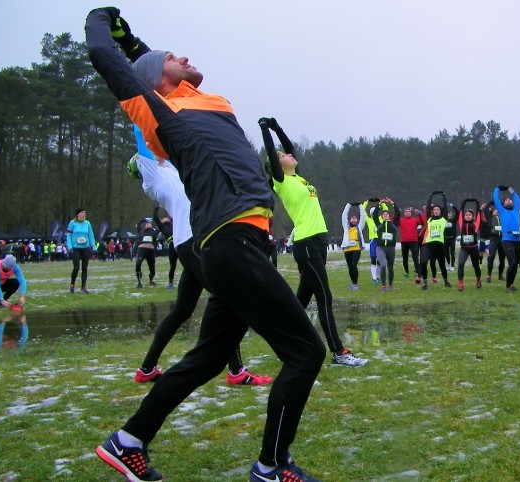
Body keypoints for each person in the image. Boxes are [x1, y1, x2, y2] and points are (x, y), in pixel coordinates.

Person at [86, 9, 325, 481]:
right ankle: (271, 468)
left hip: (240, 245)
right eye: (176, 57)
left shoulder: (202, 100)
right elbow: (107, 56)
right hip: (229, 241)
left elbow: (149, 64)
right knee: (305, 353)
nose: (186, 58)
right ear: (157, 80)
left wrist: (134, 41)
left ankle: (127, 442)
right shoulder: (160, 114)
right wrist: (102, 18)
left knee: (210, 358)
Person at [128, 132, 273, 387]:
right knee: (229, 298)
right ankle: (236, 370)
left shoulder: (170, 170)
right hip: (192, 244)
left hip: (195, 241)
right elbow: (143, 139)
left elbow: (177, 148)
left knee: (181, 312)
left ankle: (147, 368)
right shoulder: (153, 179)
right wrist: (142, 103)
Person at [259, 116, 367, 368]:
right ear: (275, 164)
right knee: (324, 298)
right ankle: (339, 352)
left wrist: (278, 128)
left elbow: (291, 150)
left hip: (317, 242)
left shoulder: (299, 178)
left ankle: (281, 338)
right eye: (281, 155)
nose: (287, 155)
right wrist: (265, 130)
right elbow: (275, 156)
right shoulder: (281, 181)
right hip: (305, 244)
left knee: (301, 302)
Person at [492, 185, 520, 293]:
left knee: (516, 264)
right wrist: (498, 188)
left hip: (517, 240)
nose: (509, 200)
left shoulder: (516, 210)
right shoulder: (502, 211)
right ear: (503, 204)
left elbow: (517, 197)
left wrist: (510, 188)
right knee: (512, 262)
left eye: (510, 199)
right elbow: (495, 197)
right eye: (506, 200)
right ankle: (507, 286)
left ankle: (511, 284)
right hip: (507, 240)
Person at [419, 191, 452, 290]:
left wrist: (444, 195)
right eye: (434, 209)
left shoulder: (443, 219)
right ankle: (425, 284)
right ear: (432, 211)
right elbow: (428, 207)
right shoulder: (430, 219)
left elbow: (445, 207)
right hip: (428, 244)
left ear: (441, 211)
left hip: (440, 245)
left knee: (442, 265)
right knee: (424, 262)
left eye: (438, 209)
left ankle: (446, 281)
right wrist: (431, 195)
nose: (436, 210)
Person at [455, 199, 483, 291]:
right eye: (466, 215)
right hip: (464, 248)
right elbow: (461, 211)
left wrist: (476, 202)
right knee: (460, 264)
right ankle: (460, 284)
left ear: (472, 216)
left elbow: (479, 213)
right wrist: (465, 201)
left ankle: (478, 280)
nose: (467, 216)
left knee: (476, 266)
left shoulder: (476, 223)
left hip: (474, 248)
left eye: (469, 215)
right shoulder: (461, 223)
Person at [373, 200, 399, 292]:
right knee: (383, 265)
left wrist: (392, 203)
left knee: (390, 267)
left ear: (389, 216)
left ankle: (391, 285)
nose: (385, 215)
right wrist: (379, 204)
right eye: (383, 214)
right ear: (382, 216)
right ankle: (383, 286)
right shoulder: (379, 225)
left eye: (386, 214)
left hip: (391, 248)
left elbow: (398, 213)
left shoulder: (394, 224)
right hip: (380, 248)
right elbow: (374, 215)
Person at [340, 202, 367, 290]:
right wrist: (348, 205)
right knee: (350, 267)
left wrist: (360, 206)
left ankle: (355, 284)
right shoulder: (346, 227)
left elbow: (363, 216)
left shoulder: (359, 227)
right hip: (347, 249)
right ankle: (353, 283)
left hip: (356, 248)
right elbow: (344, 215)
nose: (354, 219)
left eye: (355, 218)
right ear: (350, 220)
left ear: (357, 220)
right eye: (352, 218)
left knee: (354, 265)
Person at [67, 208, 94, 293]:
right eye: (82, 212)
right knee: (76, 268)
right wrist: (70, 247)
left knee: (84, 268)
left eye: (84, 213)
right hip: (75, 248)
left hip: (85, 248)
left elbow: (91, 235)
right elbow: (69, 235)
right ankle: (72, 284)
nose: (83, 214)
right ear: (77, 214)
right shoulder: (72, 223)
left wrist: (94, 247)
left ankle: (83, 287)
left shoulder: (87, 223)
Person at [397, 206, 424, 282]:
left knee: (415, 258)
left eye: (409, 211)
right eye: (406, 212)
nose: (407, 212)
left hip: (413, 241)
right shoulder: (401, 220)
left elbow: (422, 222)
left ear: (411, 213)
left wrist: (419, 214)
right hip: (404, 242)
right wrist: (397, 213)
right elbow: (394, 221)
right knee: (405, 258)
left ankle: (418, 273)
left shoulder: (415, 220)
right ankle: (406, 272)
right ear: (404, 213)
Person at [152, 206, 177, 289]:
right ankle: (170, 283)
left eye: (166, 217)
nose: (165, 219)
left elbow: (175, 213)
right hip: (172, 246)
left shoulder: (174, 223)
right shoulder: (162, 227)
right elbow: (155, 218)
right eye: (163, 218)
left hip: (181, 244)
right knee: (172, 266)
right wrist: (156, 208)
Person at [134, 217, 158, 288]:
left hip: (150, 251)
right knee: (138, 263)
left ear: (152, 225)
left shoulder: (154, 232)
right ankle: (139, 282)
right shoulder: (141, 232)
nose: (147, 224)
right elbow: (138, 225)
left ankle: (151, 281)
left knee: (152, 268)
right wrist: (143, 219)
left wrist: (155, 218)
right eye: (146, 223)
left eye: (149, 223)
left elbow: (160, 226)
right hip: (142, 250)